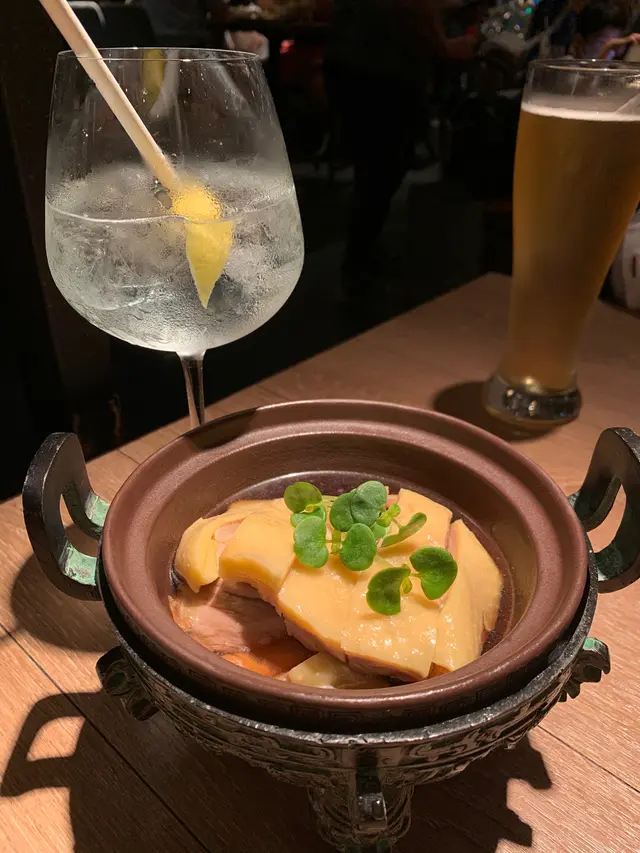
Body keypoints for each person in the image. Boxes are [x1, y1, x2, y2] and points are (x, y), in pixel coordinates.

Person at [324, 0, 476, 293]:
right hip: (383, 66)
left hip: (352, 59)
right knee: (383, 167)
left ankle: (363, 251)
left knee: (374, 167)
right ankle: (359, 263)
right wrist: (443, 46)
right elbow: (417, 8)